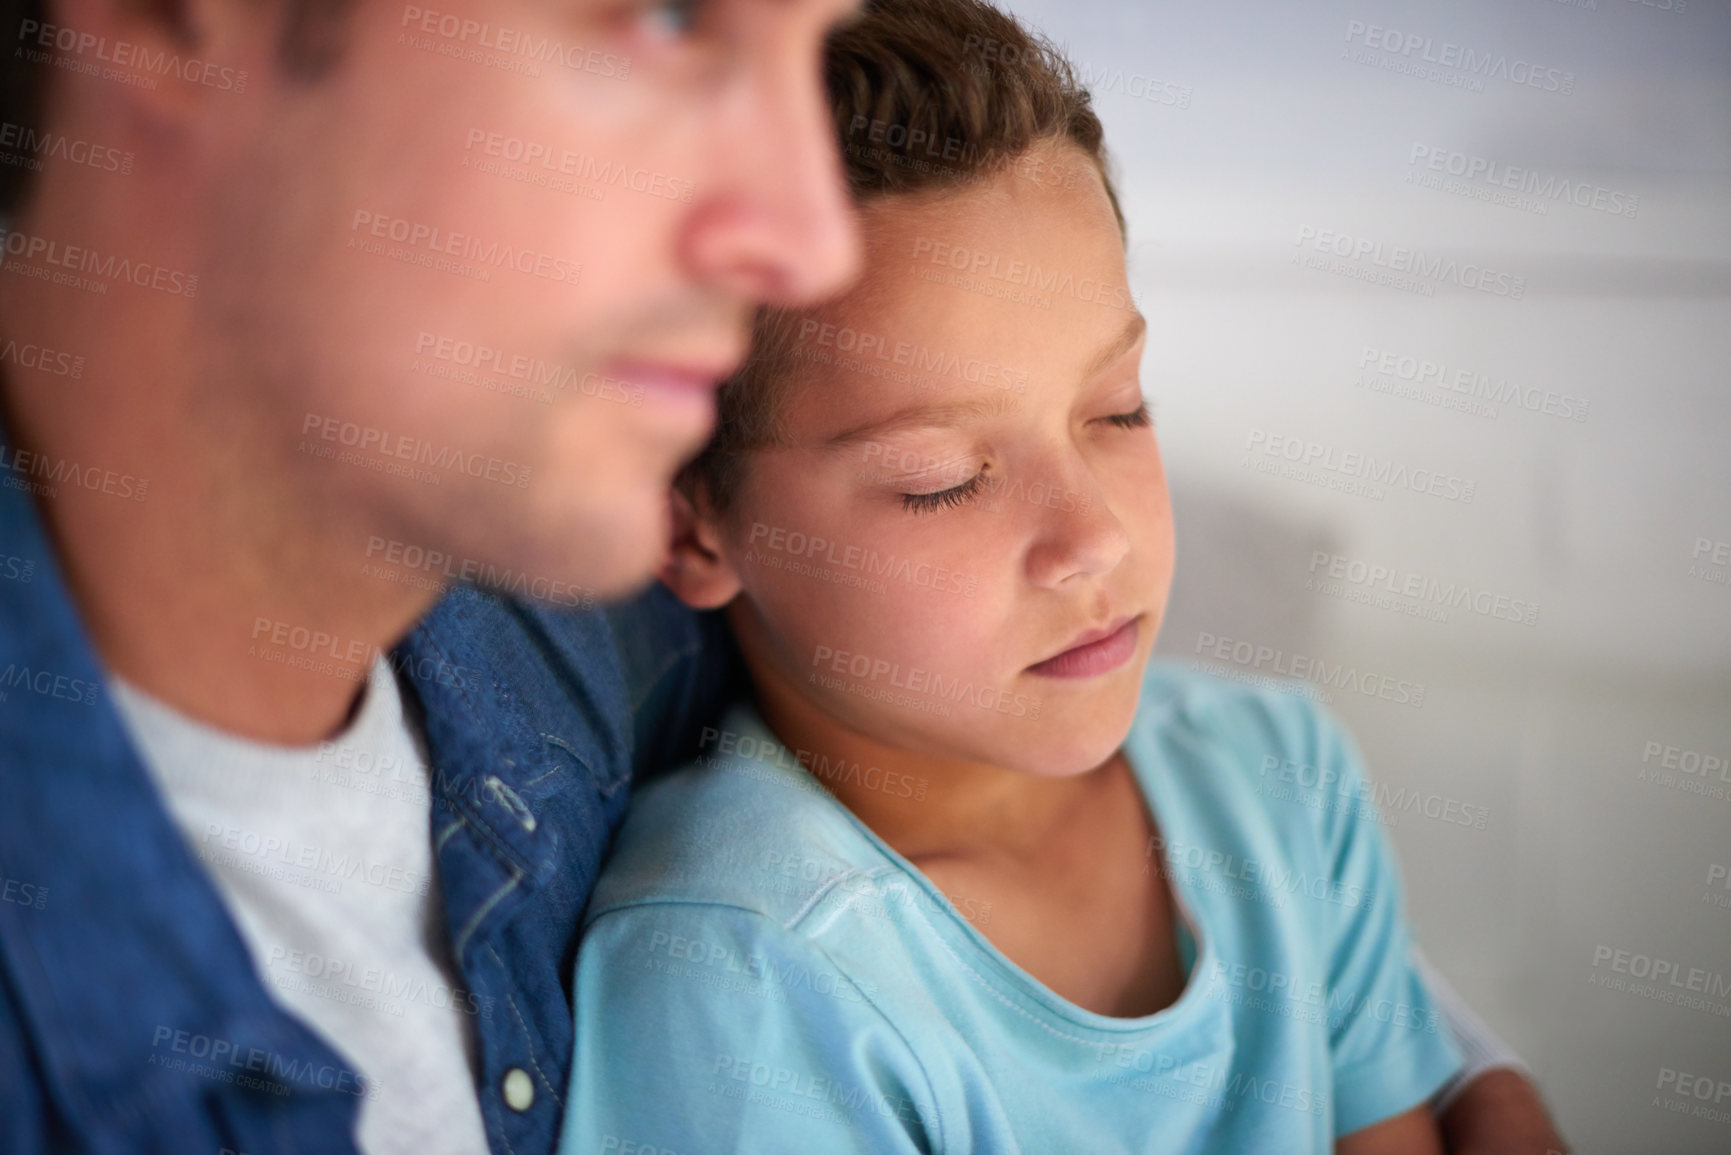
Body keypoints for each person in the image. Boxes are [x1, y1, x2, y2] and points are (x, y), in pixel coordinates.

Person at [0, 0, 1564, 1152]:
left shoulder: (559, 570)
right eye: (667, 27)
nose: (801, 233)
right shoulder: (730, 950)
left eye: (1122, 408)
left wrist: (1426, 1046)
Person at [557, 2, 1569, 1152]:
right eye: (942, 479)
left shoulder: (1279, 777)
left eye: (1118, 409)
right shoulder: (737, 974)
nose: (1093, 538)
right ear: (692, 526)